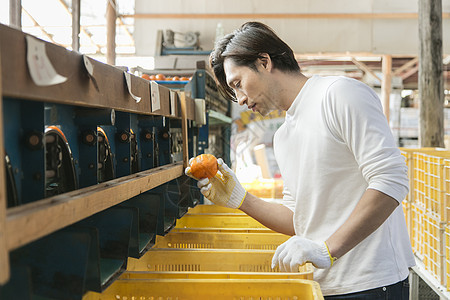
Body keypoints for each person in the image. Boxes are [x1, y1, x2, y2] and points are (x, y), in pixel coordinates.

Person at [185, 21, 414, 298]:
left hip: (371, 283)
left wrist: (327, 250)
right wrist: (241, 199)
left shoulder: (338, 95)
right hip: (321, 284)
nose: (241, 99)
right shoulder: (284, 137)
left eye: (238, 84)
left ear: (264, 61)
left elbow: (391, 180)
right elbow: (299, 218)